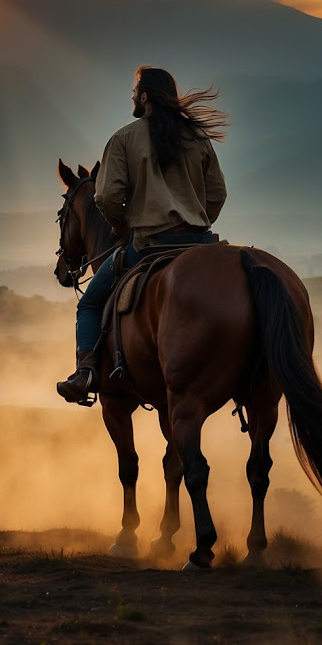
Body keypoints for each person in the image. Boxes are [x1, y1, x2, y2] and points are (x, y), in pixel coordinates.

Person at [57, 65, 228, 404]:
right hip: (200, 243)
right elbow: (217, 193)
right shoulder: (198, 139)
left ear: (145, 96)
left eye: (135, 90)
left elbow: (104, 196)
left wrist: (121, 227)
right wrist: (196, 220)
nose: (132, 96)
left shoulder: (124, 138)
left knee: (89, 304)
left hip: (150, 244)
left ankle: (86, 373)